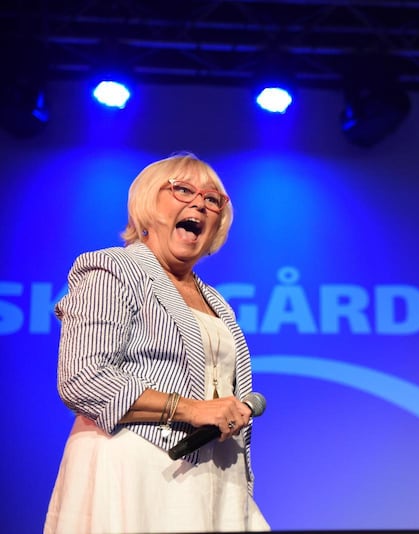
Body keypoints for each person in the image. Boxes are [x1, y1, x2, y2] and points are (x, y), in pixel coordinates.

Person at [44, 153, 270, 533]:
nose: (199, 203)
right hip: (137, 472)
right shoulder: (113, 269)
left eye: (213, 199)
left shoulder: (216, 300)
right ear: (148, 204)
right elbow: (83, 379)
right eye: (183, 190)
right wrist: (191, 410)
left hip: (215, 476)